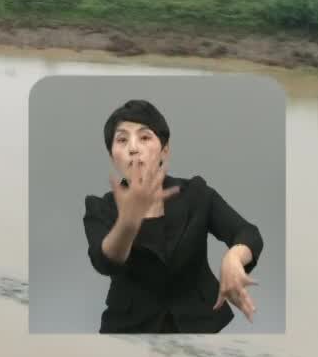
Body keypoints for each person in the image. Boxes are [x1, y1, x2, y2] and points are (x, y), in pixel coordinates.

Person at [82, 99, 263, 333]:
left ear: (164, 150)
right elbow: (105, 261)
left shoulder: (197, 194)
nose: (133, 148)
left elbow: (248, 233)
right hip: (129, 329)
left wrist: (234, 258)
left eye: (144, 137)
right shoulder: (100, 207)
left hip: (201, 325)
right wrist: (128, 221)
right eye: (122, 140)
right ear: (112, 156)